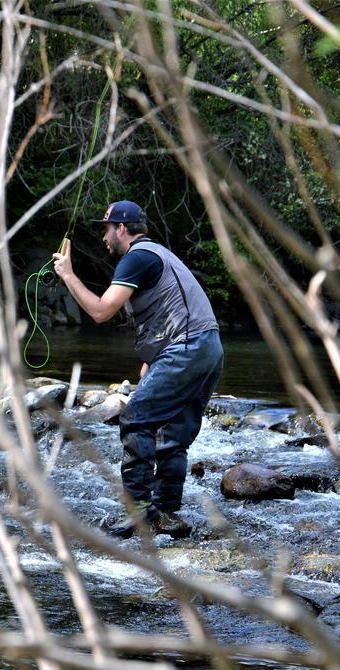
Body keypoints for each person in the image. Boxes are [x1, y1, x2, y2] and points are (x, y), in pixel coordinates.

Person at [53, 200, 224, 539]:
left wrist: (68, 275)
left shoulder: (136, 257)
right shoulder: (158, 255)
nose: (103, 237)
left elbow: (102, 312)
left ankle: (139, 510)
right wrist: (153, 362)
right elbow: (171, 309)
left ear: (122, 228)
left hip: (187, 347)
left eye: (106, 229)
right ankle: (167, 513)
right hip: (210, 349)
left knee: (136, 419)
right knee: (173, 436)